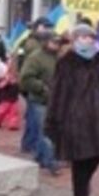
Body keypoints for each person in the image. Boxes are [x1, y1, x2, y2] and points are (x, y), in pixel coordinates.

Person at [44, 24, 99, 196]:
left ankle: (84, 184)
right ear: (76, 39)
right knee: (80, 159)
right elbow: (58, 92)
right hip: (75, 117)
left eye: (92, 37)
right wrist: (55, 119)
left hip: (98, 116)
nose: (89, 41)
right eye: (85, 37)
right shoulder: (66, 62)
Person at [19, 31, 62, 175]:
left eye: (58, 42)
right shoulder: (35, 58)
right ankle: (50, 162)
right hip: (39, 100)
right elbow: (26, 78)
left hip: (56, 99)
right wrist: (43, 88)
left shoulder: (59, 57)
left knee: (48, 130)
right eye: (53, 42)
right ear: (45, 42)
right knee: (45, 131)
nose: (56, 45)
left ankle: (39, 157)